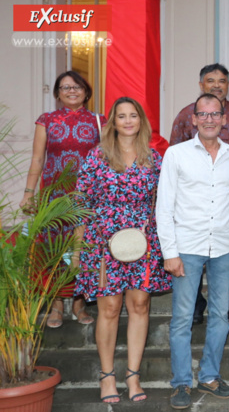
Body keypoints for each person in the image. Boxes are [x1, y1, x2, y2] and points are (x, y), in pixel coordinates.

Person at [74, 97, 169, 403]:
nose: (128, 121)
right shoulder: (97, 157)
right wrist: (77, 251)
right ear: (112, 122)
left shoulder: (154, 158)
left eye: (133, 116)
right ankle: (107, 377)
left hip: (143, 242)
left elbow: (163, 204)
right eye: (121, 116)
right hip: (103, 242)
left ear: (141, 120)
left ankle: (133, 376)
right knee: (110, 308)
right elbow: (81, 204)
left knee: (140, 305)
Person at [157, 93, 229, 410]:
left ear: (224, 119)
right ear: (193, 119)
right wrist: (170, 251)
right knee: (181, 318)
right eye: (202, 114)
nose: (209, 119)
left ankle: (209, 376)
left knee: (220, 316)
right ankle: (181, 382)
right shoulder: (176, 155)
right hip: (187, 247)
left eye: (215, 114)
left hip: (223, 246)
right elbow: (164, 206)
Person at [170, 63, 229, 323]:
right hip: (191, 202)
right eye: (211, 80)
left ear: (228, 85)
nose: (217, 85)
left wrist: (221, 169)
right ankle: (195, 305)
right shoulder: (187, 114)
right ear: (201, 85)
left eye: (222, 81)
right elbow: (175, 151)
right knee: (192, 256)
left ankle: (225, 303)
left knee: (227, 251)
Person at [19, 70, 101, 328]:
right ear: (57, 94)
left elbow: (107, 159)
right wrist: (29, 192)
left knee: (83, 248)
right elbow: (37, 159)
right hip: (55, 198)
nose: (71, 90)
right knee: (55, 249)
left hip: (88, 196)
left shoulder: (100, 121)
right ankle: (56, 305)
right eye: (65, 87)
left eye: (77, 86)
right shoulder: (47, 120)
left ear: (86, 92)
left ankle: (78, 304)